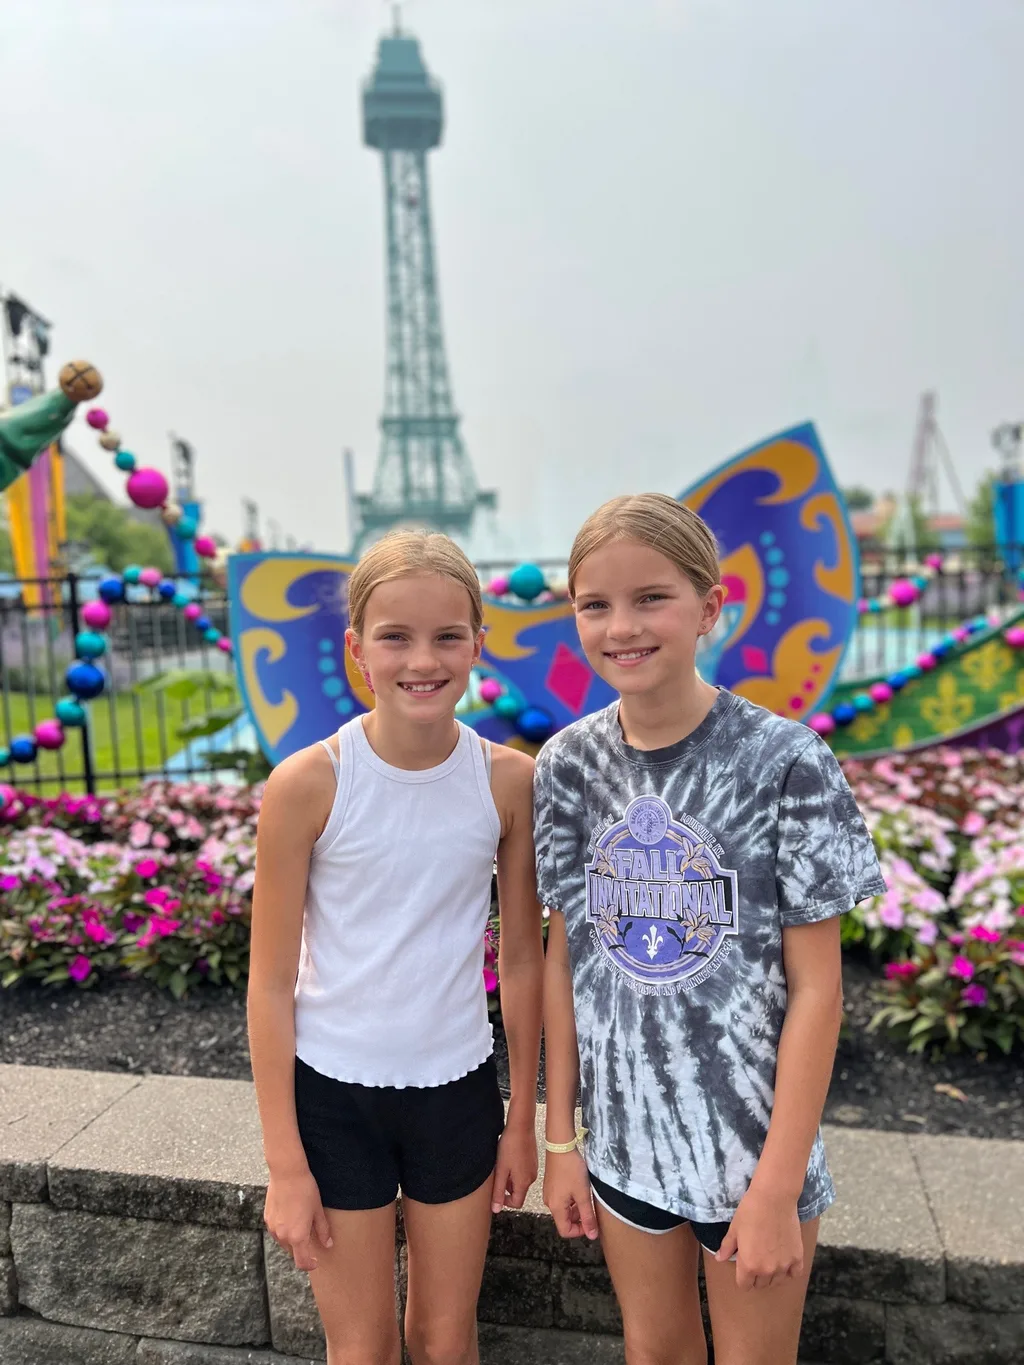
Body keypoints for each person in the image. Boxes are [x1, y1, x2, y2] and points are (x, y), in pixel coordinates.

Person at [536, 494, 885, 1365]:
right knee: (654, 1354)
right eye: (595, 604)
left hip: (750, 1156)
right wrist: (562, 1138)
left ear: (709, 606)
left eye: (651, 597)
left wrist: (773, 1187)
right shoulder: (567, 767)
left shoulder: (786, 761)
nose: (623, 626)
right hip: (622, 1151)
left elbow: (818, 991)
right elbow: (564, 961)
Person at [248, 529, 544, 1365]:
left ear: (479, 644)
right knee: (364, 1346)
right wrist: (286, 1165)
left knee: (446, 1338)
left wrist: (524, 1119)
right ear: (357, 649)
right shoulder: (310, 782)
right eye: (396, 636)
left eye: (449, 635)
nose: (424, 658)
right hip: (333, 1100)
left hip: (455, 1092)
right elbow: (268, 983)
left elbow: (522, 959)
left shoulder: (506, 782)